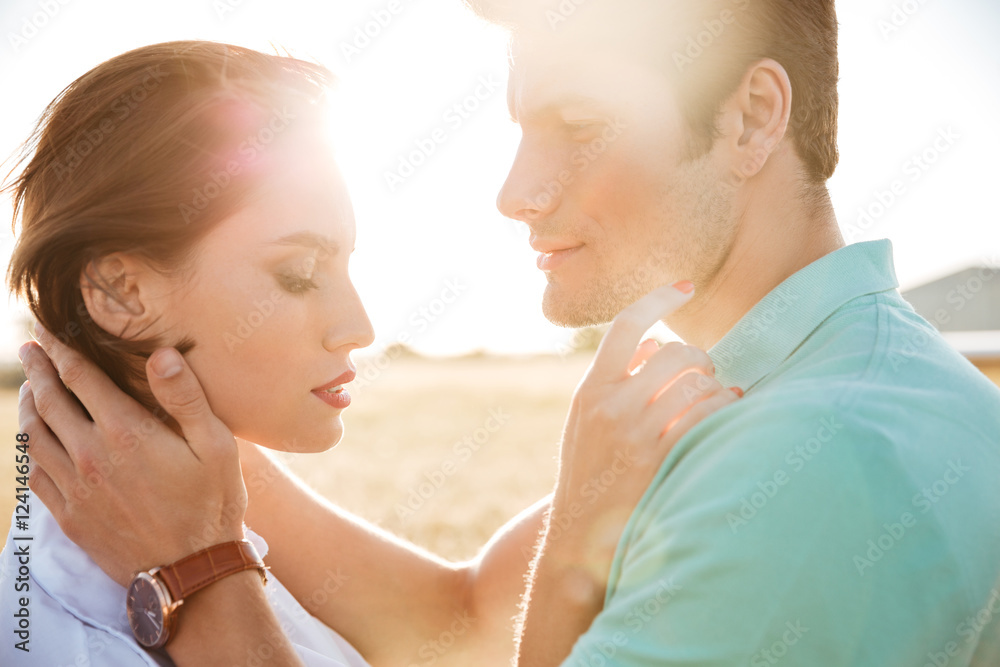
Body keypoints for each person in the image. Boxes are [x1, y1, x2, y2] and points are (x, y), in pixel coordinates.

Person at [16, 0, 1000, 665]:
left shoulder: (816, 462)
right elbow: (459, 619)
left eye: (578, 123)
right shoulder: (762, 383)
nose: (515, 192)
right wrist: (167, 431)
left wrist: (197, 570)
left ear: (750, 119)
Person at [1, 38, 735, 667]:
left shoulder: (205, 473)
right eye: (296, 274)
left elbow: (454, 620)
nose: (358, 325)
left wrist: (600, 479)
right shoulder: (60, 635)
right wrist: (198, 573)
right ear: (122, 292)